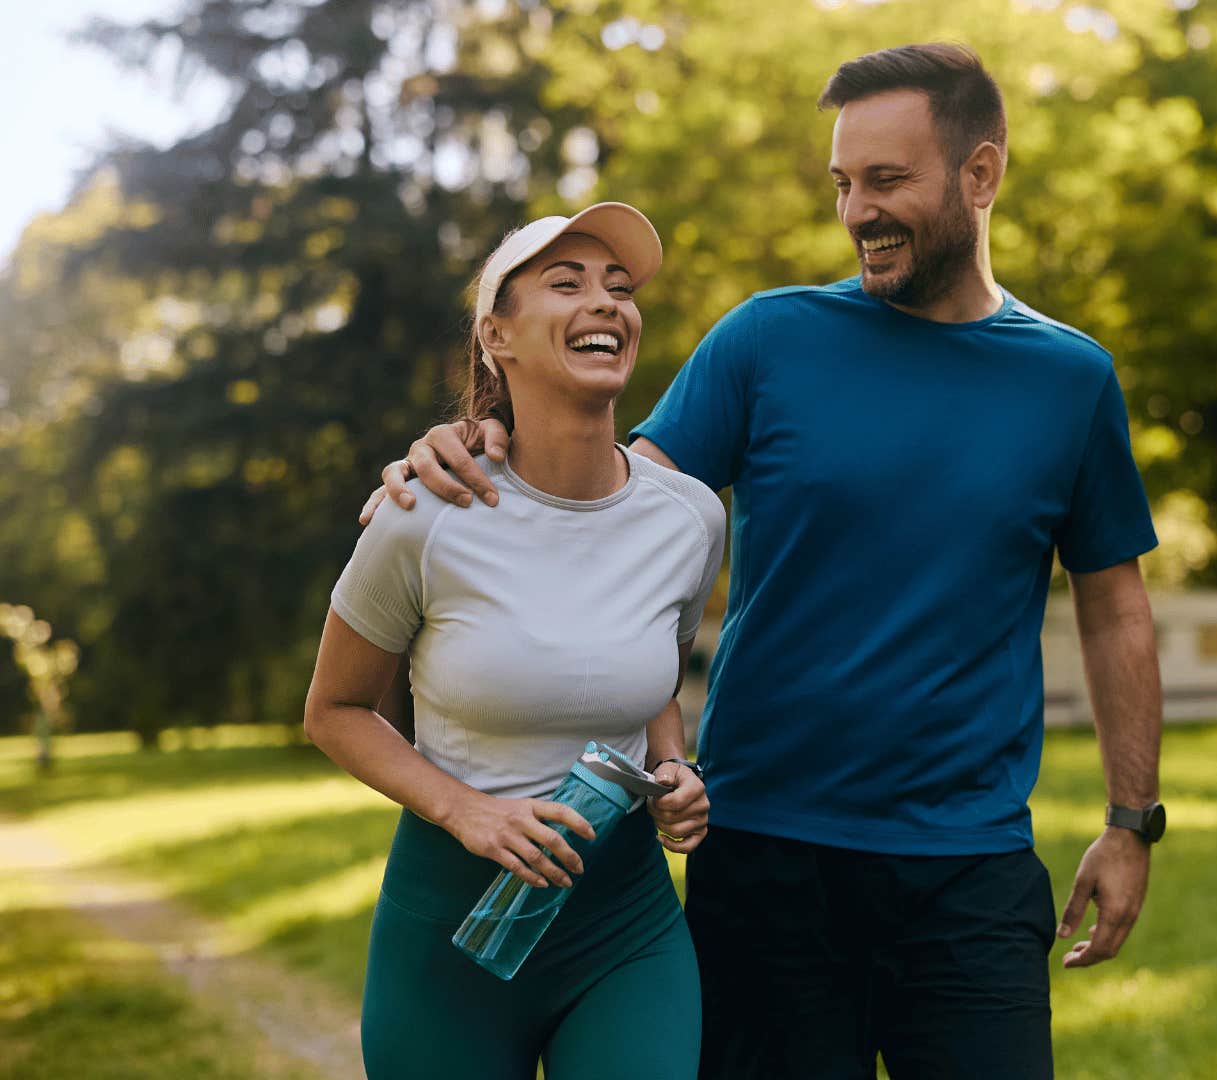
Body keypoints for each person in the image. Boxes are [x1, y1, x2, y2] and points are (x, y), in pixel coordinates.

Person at [363, 44, 1165, 1078]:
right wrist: (477, 439)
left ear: (981, 175)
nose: (858, 210)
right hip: (769, 862)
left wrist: (1130, 822)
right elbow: (595, 505)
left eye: (888, 180)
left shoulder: (1070, 379)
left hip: (968, 870)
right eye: (844, 183)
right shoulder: (767, 342)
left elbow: (1115, 608)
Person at [307, 202, 724, 1079]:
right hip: (448, 931)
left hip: (623, 928)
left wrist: (674, 767)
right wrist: (468, 810)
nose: (606, 302)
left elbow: (645, 671)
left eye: (619, 287)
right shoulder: (424, 516)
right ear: (498, 335)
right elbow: (334, 711)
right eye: (566, 284)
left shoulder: (689, 520)